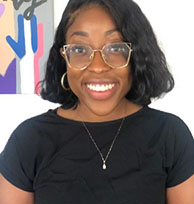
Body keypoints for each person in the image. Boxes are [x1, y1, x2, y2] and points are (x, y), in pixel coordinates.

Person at [0, 0, 194, 203]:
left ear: (136, 55)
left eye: (115, 48)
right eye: (79, 50)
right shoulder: (28, 141)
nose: (98, 66)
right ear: (64, 58)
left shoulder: (170, 136)